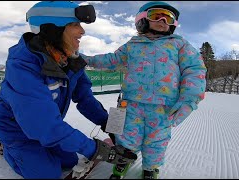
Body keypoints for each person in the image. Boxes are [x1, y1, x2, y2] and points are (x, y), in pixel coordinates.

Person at [0, 1, 137, 179]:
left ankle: (42, 147)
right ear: (52, 30)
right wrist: (95, 150)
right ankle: (7, 147)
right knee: (47, 174)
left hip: (44, 125)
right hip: (15, 128)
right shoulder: (23, 67)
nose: (82, 31)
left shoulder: (70, 60)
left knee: (69, 161)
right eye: (74, 25)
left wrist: (107, 123)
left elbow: (84, 98)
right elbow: (42, 124)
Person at [81, 1, 207, 179]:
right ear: (142, 20)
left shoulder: (179, 45)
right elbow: (112, 59)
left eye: (168, 18)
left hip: (163, 107)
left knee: (156, 141)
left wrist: (189, 98)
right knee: (126, 137)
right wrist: (86, 60)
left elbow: (194, 69)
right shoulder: (133, 44)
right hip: (132, 104)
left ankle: (150, 168)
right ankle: (123, 162)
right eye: (156, 15)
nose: (163, 20)